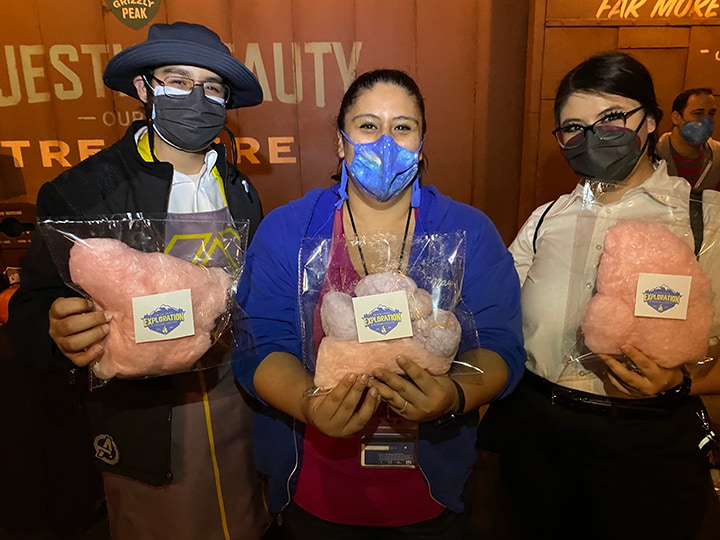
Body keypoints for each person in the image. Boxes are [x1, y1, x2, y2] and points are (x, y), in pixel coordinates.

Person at [234, 68, 525, 539]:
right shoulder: (289, 229)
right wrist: (309, 404)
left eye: (402, 127)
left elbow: (499, 344)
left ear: (421, 141)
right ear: (340, 141)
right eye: (368, 126)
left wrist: (452, 395)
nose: (384, 141)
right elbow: (259, 344)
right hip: (316, 486)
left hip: (431, 488)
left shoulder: (468, 231)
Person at [8, 22, 268, 540]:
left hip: (236, 404)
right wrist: (56, 332)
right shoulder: (82, 192)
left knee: (246, 521)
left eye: (212, 87)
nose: (196, 97)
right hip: (145, 420)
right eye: (177, 80)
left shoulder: (240, 188)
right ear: (144, 89)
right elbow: (32, 313)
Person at [478, 52, 720, 540]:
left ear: (650, 121)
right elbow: (493, 316)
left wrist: (679, 381)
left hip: (645, 441)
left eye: (611, 118)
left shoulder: (705, 221)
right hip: (533, 435)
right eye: (573, 126)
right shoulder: (546, 219)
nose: (593, 136)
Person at [656, 87, 720, 191]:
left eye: (711, 114)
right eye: (698, 113)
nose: (706, 120)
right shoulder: (652, 154)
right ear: (676, 118)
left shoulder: (717, 157)